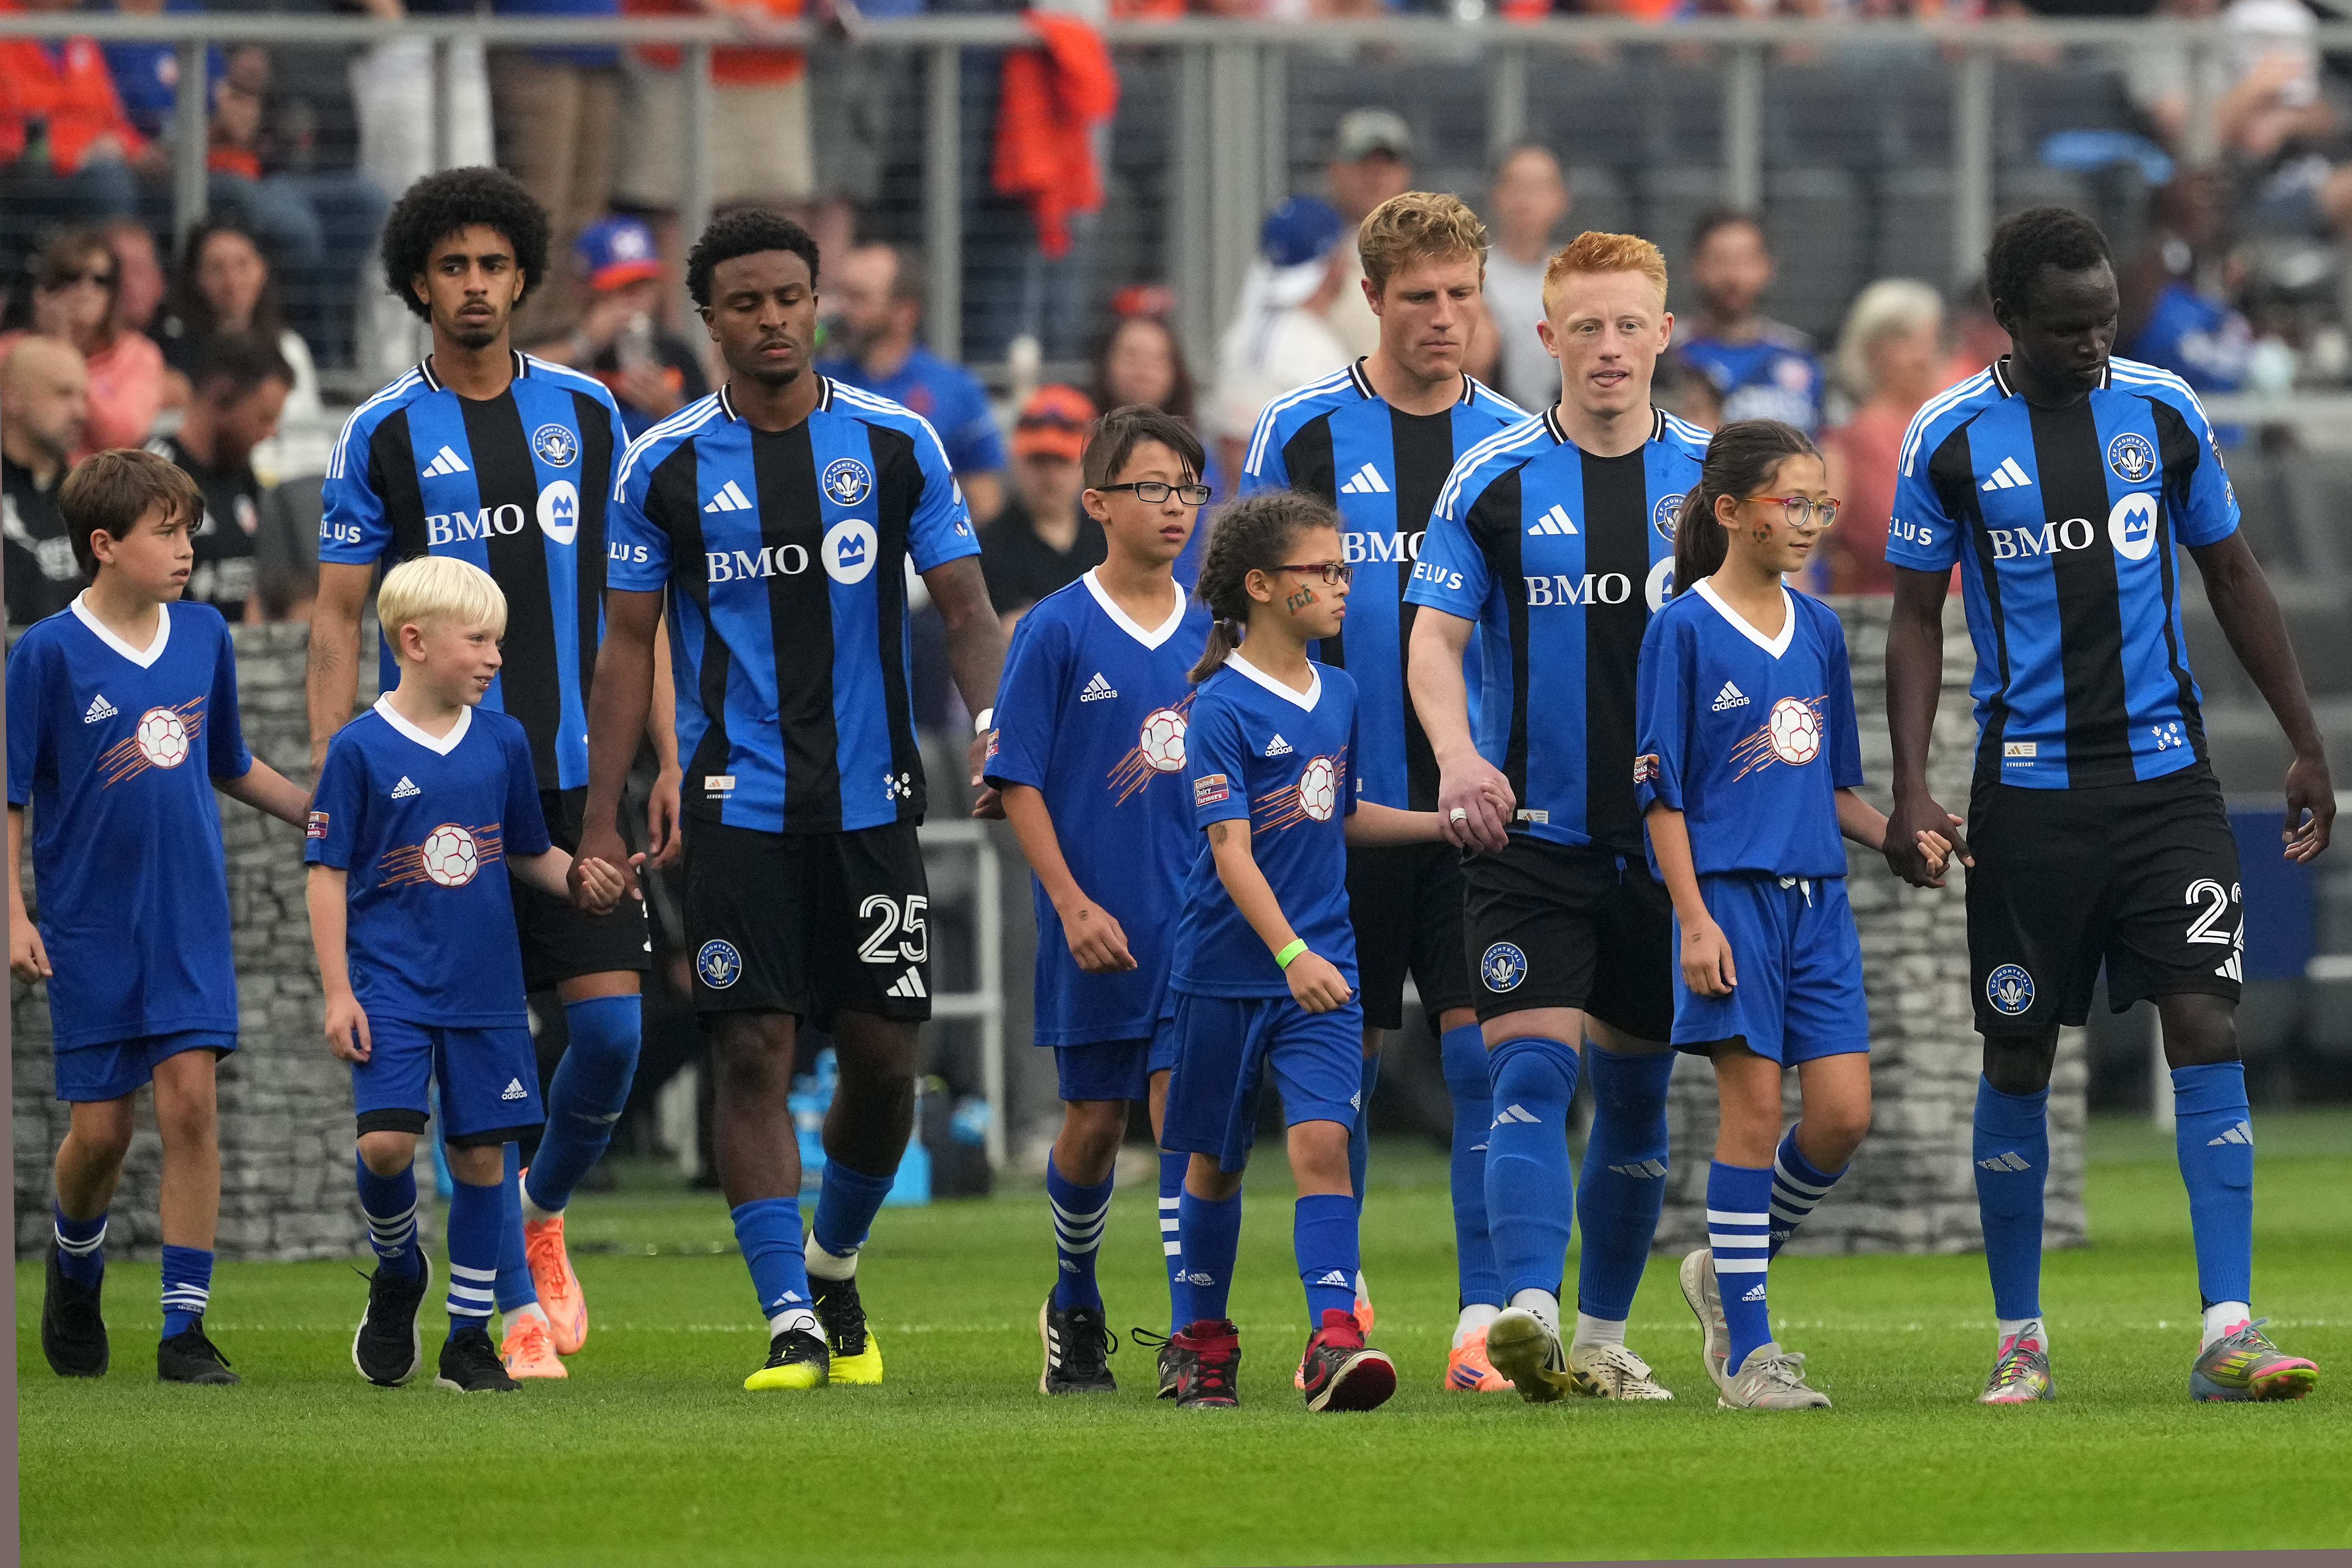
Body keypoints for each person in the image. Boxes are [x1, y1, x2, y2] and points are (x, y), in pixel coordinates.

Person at [1883, 205, 2331, 1406]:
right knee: (2020, 1051)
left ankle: (2227, 1330)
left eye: (2104, 321)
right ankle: (2019, 1334)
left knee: (2205, 1026)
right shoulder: (1949, 440)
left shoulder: (2163, 413)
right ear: (2009, 320)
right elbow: (1917, 618)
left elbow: (2230, 573)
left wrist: (2302, 740)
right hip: (2027, 795)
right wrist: (1915, 782)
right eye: (2067, 326)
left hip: (2164, 784)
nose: (2093, 342)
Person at [582, 207, 1010, 1392]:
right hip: (735, 806)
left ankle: (832, 1266)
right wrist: (602, 816)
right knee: (752, 1051)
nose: (771, 319)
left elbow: (968, 612)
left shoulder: (896, 444)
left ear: (817, 304)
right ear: (708, 319)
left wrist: (997, 729)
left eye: (789, 297)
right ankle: (785, 1318)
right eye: (744, 303)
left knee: (884, 1063)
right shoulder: (660, 462)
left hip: (873, 806)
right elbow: (626, 645)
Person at [312, 166, 670, 1381]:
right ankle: (502, 1308)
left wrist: (664, 754)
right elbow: (335, 620)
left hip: (577, 779)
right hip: (443, 797)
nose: (474, 287)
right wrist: (334, 782)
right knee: (474, 1060)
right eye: (451, 267)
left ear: (525, 276)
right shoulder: (380, 433)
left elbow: (637, 610)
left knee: (613, 1037)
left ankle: (542, 1213)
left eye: (493, 266)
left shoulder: (590, 414)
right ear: (418, 282)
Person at [1404, 230, 1711, 1405]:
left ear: (1663, 333)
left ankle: (1597, 1338)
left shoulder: (1709, 482)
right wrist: (1457, 759)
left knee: (1636, 1099)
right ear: (1545, 340)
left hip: (1664, 843)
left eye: (1629, 323)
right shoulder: (1487, 479)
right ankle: (1524, 1308)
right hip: (1529, 835)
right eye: (1584, 326)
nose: (1608, 348)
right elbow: (1431, 641)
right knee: (1529, 1070)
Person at [1240, 190, 1525, 1392]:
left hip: (1473, 819)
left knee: (1481, 1066)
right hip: (1331, 822)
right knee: (1336, 1070)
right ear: (1371, 299)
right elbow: (1242, 614)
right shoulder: (1300, 434)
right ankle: (1339, 1307)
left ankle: (1479, 1325)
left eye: (1462, 294)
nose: (1445, 318)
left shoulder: (1521, 441)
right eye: (1419, 297)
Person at [1638, 419, 1951, 1411]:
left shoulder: (1816, 627)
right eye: (1794, 503)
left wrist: (1904, 831)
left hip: (1818, 905)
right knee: (1752, 1113)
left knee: (1843, 1115)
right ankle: (1751, 1357)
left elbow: (1828, 787)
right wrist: (1692, 916)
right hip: (1729, 897)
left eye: (1822, 504)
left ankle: (1728, 1272)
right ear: (1730, 512)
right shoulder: (1680, 629)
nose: (1814, 521)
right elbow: (1662, 792)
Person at [7, 448, 309, 1385]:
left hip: (188, 914)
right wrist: (14, 912)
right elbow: (12, 794)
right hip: (90, 923)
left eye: (189, 528)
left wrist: (322, 814)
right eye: (166, 531)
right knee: (101, 1133)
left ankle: (184, 1330)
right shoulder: (45, 652)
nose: (188, 547)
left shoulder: (204, 634)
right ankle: (75, 1256)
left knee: (190, 1102)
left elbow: (228, 760)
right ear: (105, 544)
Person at [308, 556, 632, 1395]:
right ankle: (395, 1265)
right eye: (479, 639)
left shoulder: (503, 739)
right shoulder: (360, 748)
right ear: (413, 641)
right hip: (390, 985)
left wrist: (577, 878)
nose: (495, 656)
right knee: (385, 1143)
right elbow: (327, 871)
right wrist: (339, 988)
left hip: (487, 989)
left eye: (500, 640)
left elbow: (526, 846)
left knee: (485, 1158)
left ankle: (466, 1340)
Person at [1159, 489, 1453, 1413]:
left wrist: (1445, 825)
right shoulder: (1220, 704)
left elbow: (1342, 813)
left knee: (1325, 1139)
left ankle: (1335, 1338)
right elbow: (1230, 850)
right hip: (1233, 968)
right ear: (1260, 585)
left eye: (1343, 570)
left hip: (1324, 964)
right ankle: (1201, 1341)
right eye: (1321, 571)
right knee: (1217, 1162)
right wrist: (1288, 952)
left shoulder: (1345, 692)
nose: (1341, 586)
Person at [983, 403, 1214, 1396]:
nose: (1175, 507)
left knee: (1183, 1115)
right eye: (1152, 488)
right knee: (1093, 1119)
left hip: (1202, 920)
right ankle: (1074, 1294)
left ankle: (1187, 1332)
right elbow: (1015, 777)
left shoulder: (1220, 625)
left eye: (1189, 489)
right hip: (1100, 920)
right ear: (1096, 503)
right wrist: (1072, 902)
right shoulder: (1055, 626)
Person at [817, 242, 1007, 525]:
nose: (841, 310)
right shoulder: (817, 384)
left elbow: (986, 506)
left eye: (858, 298)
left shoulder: (955, 390)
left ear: (905, 312)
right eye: (840, 295)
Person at [146, 331, 292, 624]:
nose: (271, 432)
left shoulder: (244, 477)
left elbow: (249, 594)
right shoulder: (152, 477)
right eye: (264, 417)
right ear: (222, 393)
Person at [1209, 197, 1352, 488]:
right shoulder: (1262, 341)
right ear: (1333, 262)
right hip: (1288, 524)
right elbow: (1241, 455)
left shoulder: (1306, 333)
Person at [1819, 279, 1947, 597]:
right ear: (1872, 349)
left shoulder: (1953, 427)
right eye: (1908, 340)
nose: (1924, 356)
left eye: (1930, 339)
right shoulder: (1847, 445)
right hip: (1887, 618)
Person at [548, 215, 709, 442]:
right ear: (583, 290)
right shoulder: (563, 345)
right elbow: (513, 381)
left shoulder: (675, 352)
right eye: (624, 287)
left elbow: (712, 443)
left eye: (646, 284)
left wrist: (670, 409)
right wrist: (583, 345)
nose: (638, 299)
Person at [15, 227, 166, 456]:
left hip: (100, 487)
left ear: (113, 293)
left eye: (100, 280)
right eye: (73, 277)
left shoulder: (138, 355)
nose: (86, 290)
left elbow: (123, 438)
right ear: (46, 289)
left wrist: (64, 349)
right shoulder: (11, 351)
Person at [156, 217, 323, 424]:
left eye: (243, 265)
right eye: (217, 268)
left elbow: (313, 434)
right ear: (196, 278)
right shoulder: (171, 356)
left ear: (263, 270)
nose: (232, 281)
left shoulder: (290, 348)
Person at [1090, 310, 1213, 586]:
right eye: (1130, 356)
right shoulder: (1081, 446)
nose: (1142, 371)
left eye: (1156, 359)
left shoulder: (1201, 456)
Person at [1676, 211, 1823, 437]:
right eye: (1720, 260)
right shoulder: (1667, 355)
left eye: (1746, 261)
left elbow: (1827, 446)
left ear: (1769, 267)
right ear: (1695, 267)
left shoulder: (1800, 354)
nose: (1734, 276)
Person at [979, 385, 1104, 624]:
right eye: (1038, 460)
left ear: (1088, 466)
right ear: (1016, 462)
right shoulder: (986, 548)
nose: (1050, 475)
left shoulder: (1113, 541)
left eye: (1061, 461)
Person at [1473, 145, 1572, 413]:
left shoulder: (1578, 275)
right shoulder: (1470, 273)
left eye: (1540, 187)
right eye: (1515, 185)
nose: (1526, 199)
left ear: (1562, 199)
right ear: (1495, 195)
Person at [1, 335, 91, 625]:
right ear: (12, 398)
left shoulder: (91, 495)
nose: (81, 412)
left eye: (83, 397)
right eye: (63, 394)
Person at [1320, 109, 1415, 360]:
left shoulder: (1435, 248)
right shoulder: (1305, 246)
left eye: (1387, 164)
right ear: (1335, 170)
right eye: (1363, 163)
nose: (1376, 176)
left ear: (1405, 173)